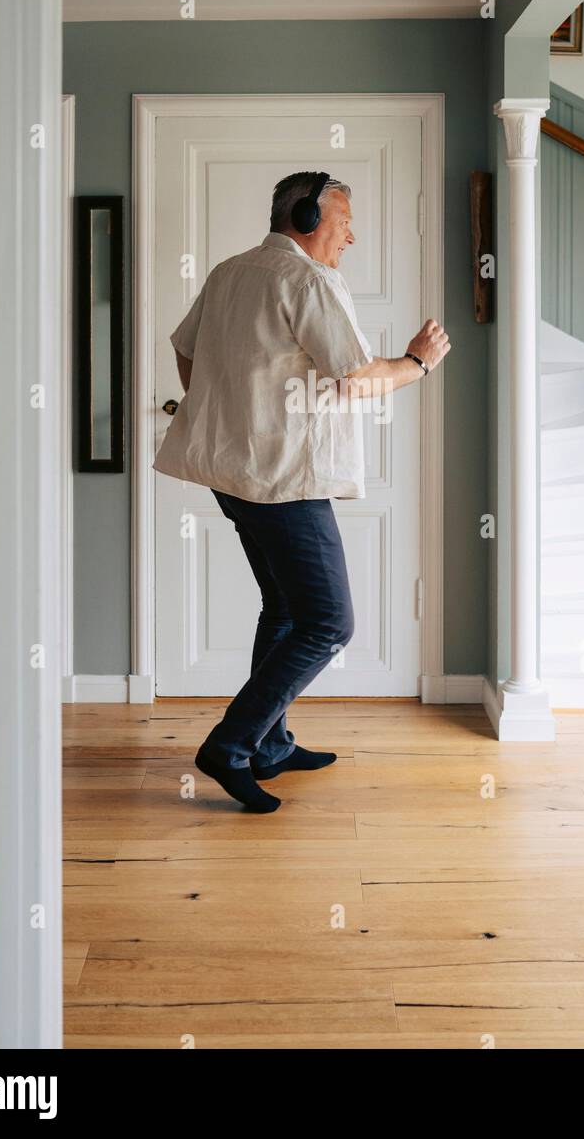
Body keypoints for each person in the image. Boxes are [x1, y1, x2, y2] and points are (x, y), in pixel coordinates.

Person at [153, 171, 450, 812]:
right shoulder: (306, 280)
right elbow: (358, 378)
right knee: (329, 621)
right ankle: (230, 746)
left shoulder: (231, 272)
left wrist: (236, 402)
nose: (351, 234)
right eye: (343, 221)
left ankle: (271, 744)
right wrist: (419, 360)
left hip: (235, 477)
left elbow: (186, 352)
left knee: (285, 609)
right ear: (309, 217)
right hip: (286, 480)